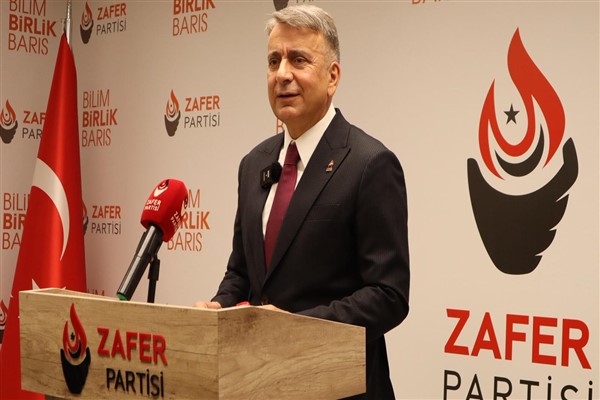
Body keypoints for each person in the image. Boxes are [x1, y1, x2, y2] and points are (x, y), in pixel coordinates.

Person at [195, 5, 409, 399]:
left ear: (333, 76)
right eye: (273, 61)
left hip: (339, 387)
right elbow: (241, 274)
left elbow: (388, 296)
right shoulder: (253, 164)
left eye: (298, 60)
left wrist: (295, 328)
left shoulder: (370, 164)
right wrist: (219, 309)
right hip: (259, 385)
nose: (282, 74)